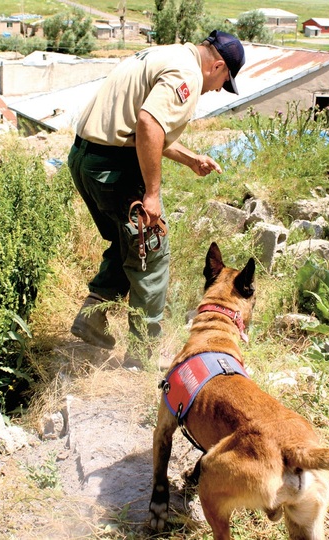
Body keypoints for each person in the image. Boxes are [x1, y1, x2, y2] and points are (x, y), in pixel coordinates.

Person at [68, 30, 246, 365]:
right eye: (224, 81)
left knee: (129, 243)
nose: (217, 89)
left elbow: (146, 129)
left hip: (86, 159)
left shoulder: (167, 54)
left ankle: (92, 316)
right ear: (218, 66)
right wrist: (152, 193)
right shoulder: (188, 74)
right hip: (113, 167)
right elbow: (149, 123)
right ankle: (143, 355)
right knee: (152, 252)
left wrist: (191, 159)